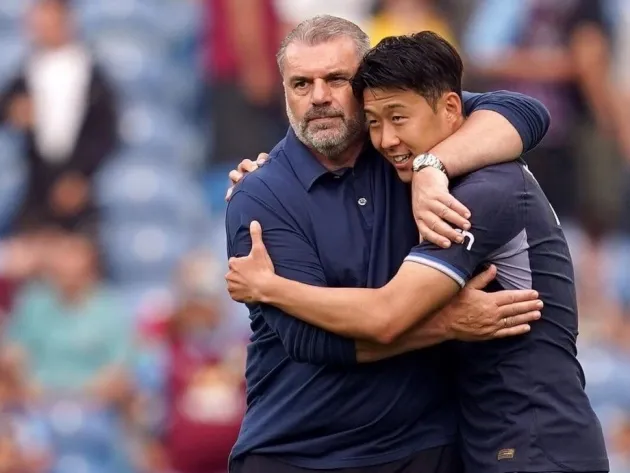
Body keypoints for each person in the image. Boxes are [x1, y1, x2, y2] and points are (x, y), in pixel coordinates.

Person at [226, 31, 609, 473]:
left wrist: (269, 287)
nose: (318, 97)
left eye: (336, 79)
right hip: (298, 453)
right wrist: (445, 324)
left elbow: (524, 110)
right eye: (300, 83)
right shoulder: (264, 191)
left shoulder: (463, 186)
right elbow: (309, 339)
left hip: (522, 444)